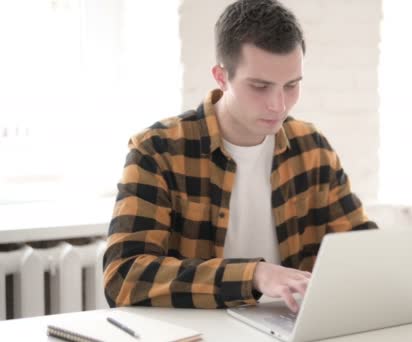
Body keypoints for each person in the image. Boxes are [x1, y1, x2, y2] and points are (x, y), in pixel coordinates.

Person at [103, 0, 377, 313]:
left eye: (291, 85)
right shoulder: (156, 151)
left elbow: (360, 246)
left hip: (289, 329)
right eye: (260, 86)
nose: (278, 104)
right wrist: (256, 275)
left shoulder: (312, 148)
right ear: (221, 77)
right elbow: (123, 278)